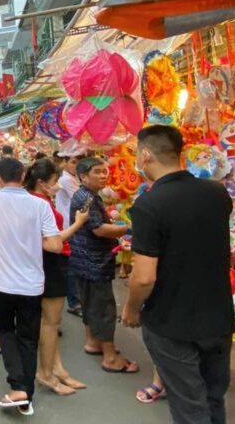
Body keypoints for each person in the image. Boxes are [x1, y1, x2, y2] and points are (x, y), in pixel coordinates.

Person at [122, 125, 235, 424]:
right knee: (213, 398)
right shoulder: (217, 192)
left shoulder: (148, 204)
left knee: (189, 406)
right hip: (218, 316)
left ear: (145, 155)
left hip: (172, 321)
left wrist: (132, 309)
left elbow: (145, 276)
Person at [0, 158, 64, 415]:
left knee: (5, 331)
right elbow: (55, 245)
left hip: (0, 282)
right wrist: (30, 239)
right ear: (23, 175)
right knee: (28, 337)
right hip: (32, 284)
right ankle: (26, 393)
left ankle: (18, 387)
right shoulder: (39, 205)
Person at [23, 159, 91, 396]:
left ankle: (57, 369)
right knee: (50, 323)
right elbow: (52, 242)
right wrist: (79, 223)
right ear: (42, 183)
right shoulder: (39, 203)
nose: (57, 185)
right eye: (54, 182)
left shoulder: (36, 200)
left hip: (47, 262)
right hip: (51, 262)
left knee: (50, 323)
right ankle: (46, 373)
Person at [69, 157, 138, 374]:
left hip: (85, 260)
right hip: (94, 261)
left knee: (91, 304)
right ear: (83, 176)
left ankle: (93, 342)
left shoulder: (87, 195)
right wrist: (128, 228)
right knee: (103, 308)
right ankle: (110, 357)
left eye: (104, 171)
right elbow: (99, 229)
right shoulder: (86, 198)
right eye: (97, 172)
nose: (103, 175)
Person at [56, 154, 83, 316]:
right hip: (70, 227)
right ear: (64, 163)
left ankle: (76, 299)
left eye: (78, 163)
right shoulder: (66, 180)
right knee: (72, 267)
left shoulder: (73, 178)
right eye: (73, 162)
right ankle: (74, 301)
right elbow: (80, 198)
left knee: (74, 265)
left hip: (73, 226)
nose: (75, 166)